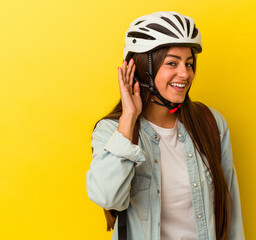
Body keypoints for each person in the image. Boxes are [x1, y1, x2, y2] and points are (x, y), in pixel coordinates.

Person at [86, 11, 245, 240]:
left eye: (189, 64)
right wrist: (129, 117)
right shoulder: (112, 132)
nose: (185, 74)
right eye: (172, 63)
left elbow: (231, 214)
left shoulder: (212, 123)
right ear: (143, 68)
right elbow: (107, 197)